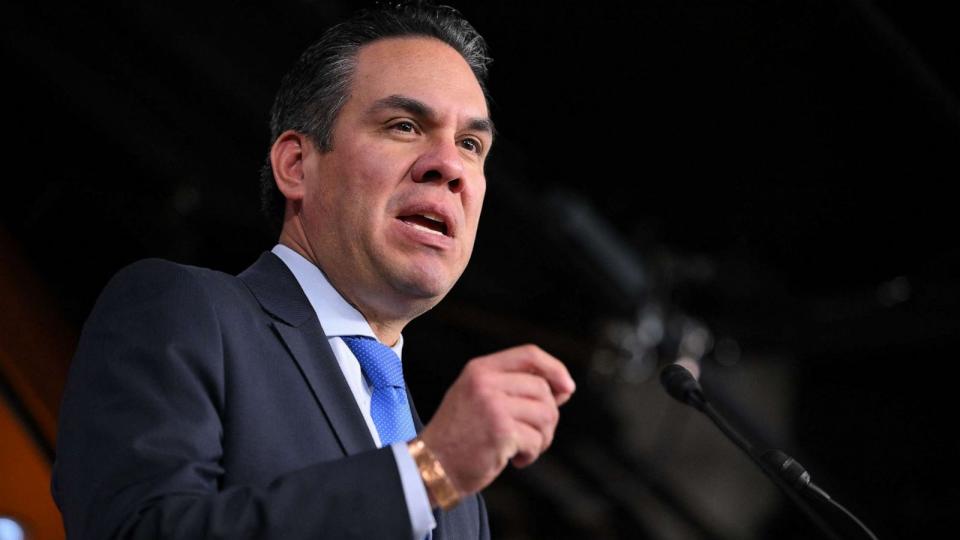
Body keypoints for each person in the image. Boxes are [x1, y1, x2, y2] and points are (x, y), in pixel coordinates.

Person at [52, 3, 575, 539]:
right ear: (296, 166)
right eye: (404, 125)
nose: (449, 165)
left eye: (471, 144)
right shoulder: (184, 311)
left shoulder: (461, 497)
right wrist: (423, 477)